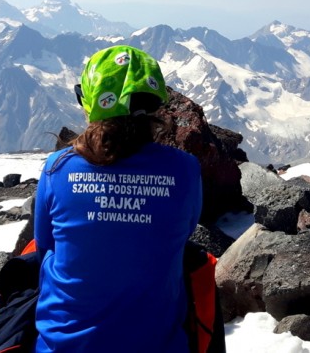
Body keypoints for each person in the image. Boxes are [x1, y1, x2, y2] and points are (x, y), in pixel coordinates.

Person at [33, 45, 203, 353]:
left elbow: (45, 245)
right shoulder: (186, 169)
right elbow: (185, 231)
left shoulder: (57, 168)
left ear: (89, 100)